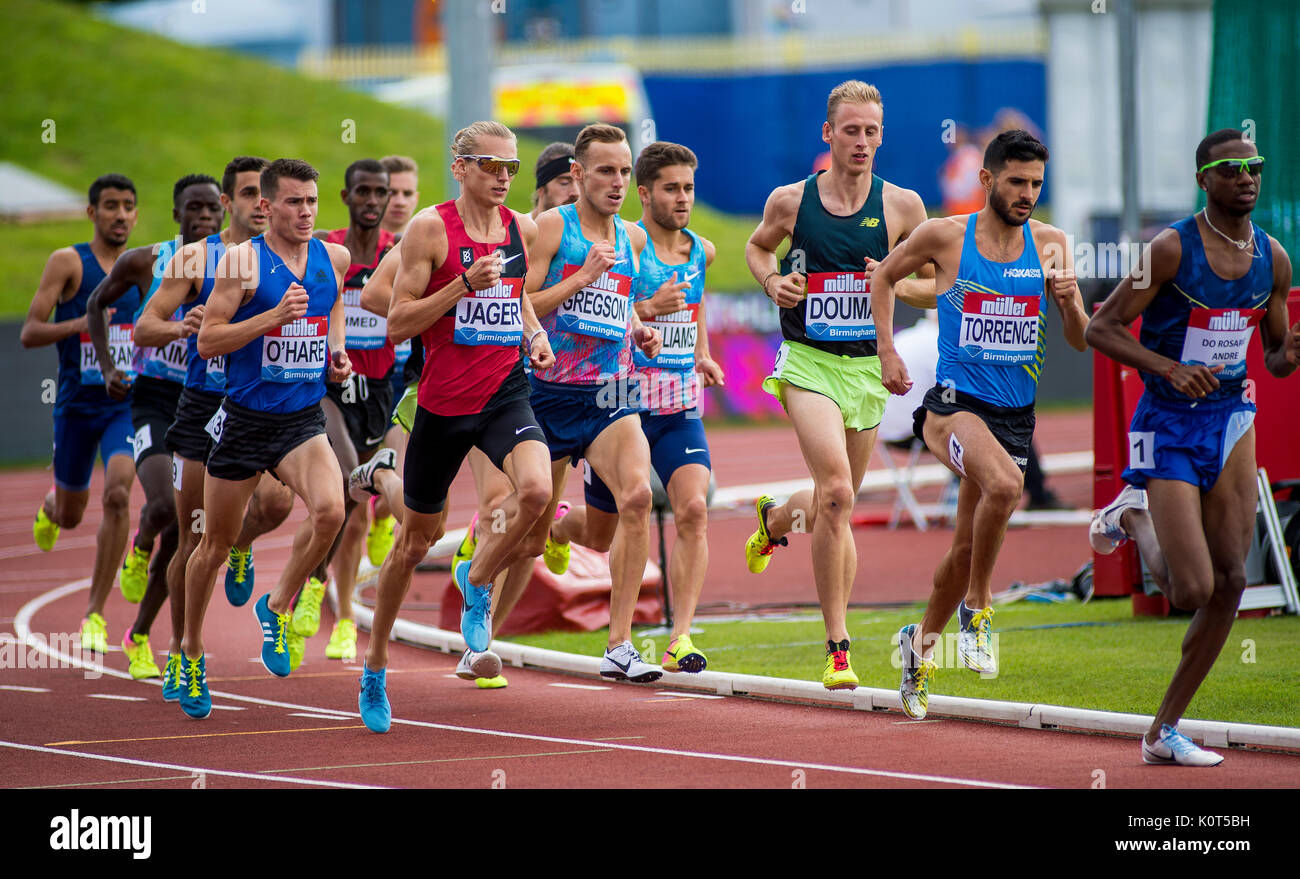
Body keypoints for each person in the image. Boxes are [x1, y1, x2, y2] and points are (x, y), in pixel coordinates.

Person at [1086, 129, 1297, 765]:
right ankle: (1131, 512)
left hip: (1232, 416)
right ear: (1204, 180)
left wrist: (1290, 354)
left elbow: (1275, 358)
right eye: (1231, 169)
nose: (1247, 178)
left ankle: (1162, 732)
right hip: (1168, 422)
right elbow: (1102, 326)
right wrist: (1168, 366)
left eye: (1254, 167)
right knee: (1190, 590)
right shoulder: (1169, 249)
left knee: (1232, 579)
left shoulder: (1276, 259)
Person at [871, 129, 1088, 718]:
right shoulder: (946, 234)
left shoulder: (1051, 243)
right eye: (1016, 181)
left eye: (1037, 184)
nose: (1027, 194)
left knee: (966, 547)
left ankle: (916, 650)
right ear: (987, 180)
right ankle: (980, 607)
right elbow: (883, 277)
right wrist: (889, 353)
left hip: (1014, 417)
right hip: (952, 405)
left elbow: (1079, 339)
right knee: (1007, 486)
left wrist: (1068, 302)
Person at [356, 121, 556, 733]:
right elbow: (396, 323)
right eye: (492, 165)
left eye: (511, 168)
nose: (502, 177)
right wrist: (463, 285)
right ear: (461, 166)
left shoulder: (521, 228)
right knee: (415, 542)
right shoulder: (428, 229)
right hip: (443, 404)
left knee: (539, 494)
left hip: (504, 392)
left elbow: (516, 296)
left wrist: (534, 333)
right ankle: (375, 667)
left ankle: (478, 576)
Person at [742, 80, 934, 690]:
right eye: (850, 129)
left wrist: (896, 284)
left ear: (882, 135)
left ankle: (774, 522)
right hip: (808, 362)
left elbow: (938, 282)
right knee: (837, 494)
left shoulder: (903, 207)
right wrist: (773, 284)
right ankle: (839, 647)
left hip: (865, 370)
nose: (862, 140)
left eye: (871, 130)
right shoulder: (792, 201)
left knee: (836, 501)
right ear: (828, 134)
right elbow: (756, 248)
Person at [490, 123, 665, 688]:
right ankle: (480, 620)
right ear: (578, 174)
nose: (618, 183)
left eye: (624, 172)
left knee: (637, 497)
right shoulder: (550, 228)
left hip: (612, 391)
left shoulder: (635, 240)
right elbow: (522, 303)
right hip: (546, 392)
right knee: (531, 534)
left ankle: (619, 645)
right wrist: (580, 277)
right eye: (606, 171)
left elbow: (624, 303)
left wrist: (639, 328)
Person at [178, 158, 352, 719]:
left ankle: (277, 607)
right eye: (294, 202)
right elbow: (208, 343)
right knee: (214, 546)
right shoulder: (242, 263)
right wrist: (272, 317)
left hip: (301, 419)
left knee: (332, 510)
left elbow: (334, 304)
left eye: (312, 202)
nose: (305, 212)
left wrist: (336, 350)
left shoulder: (334, 258)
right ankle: (190, 651)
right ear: (267, 206)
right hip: (244, 419)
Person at [546, 141, 722, 673]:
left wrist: (703, 353)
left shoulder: (702, 250)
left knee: (692, 507)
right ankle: (557, 529)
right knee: (600, 533)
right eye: (671, 188)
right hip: (621, 398)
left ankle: (680, 637)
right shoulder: (630, 245)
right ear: (644, 195)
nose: (683, 198)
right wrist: (648, 307)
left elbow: (696, 304)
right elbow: (613, 305)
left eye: (689, 188)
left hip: (677, 405)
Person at [136, 156, 294, 699]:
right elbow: (144, 327)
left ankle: (243, 545)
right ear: (229, 203)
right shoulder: (196, 260)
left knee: (277, 505)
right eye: (249, 194)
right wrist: (183, 323)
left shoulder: (287, 256)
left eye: (265, 195)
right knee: (194, 536)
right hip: (206, 408)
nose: (260, 205)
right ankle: (184, 649)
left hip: (267, 405)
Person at [85, 173, 224, 680]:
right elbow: (97, 303)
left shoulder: (236, 262)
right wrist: (107, 366)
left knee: (188, 533)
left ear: (224, 210)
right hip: (156, 399)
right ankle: (139, 545)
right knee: (163, 507)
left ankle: (140, 634)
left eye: (212, 208)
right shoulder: (145, 260)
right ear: (176, 213)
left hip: (209, 399)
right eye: (194, 208)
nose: (204, 217)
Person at [21, 174, 141, 653]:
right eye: (110, 206)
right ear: (92, 213)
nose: (120, 215)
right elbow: (30, 332)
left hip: (124, 406)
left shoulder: (140, 266)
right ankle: (53, 504)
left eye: (128, 206)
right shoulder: (69, 262)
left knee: (117, 495)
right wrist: (87, 320)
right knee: (71, 516)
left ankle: (95, 613)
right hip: (75, 406)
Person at [295, 160, 397, 664]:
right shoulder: (328, 249)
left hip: (377, 387)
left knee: (353, 504)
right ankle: (319, 593)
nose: (373, 201)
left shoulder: (395, 252)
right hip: (330, 385)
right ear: (347, 195)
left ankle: (339, 609)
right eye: (364, 191)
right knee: (347, 481)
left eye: (381, 192)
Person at [530, 142, 578, 220]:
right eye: (564, 183)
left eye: (580, 183)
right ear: (541, 189)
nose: (576, 193)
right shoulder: (517, 230)